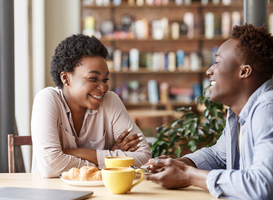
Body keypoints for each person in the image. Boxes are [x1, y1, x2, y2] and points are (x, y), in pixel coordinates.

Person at [142, 23, 273, 200]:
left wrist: (188, 175)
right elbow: (218, 155)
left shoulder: (267, 108)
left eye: (217, 62)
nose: (209, 71)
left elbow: (262, 185)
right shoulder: (239, 113)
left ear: (244, 71)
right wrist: (181, 164)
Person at [31, 34, 151, 177]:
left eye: (105, 79)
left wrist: (71, 153)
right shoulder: (47, 99)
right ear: (66, 78)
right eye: (93, 79)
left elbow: (144, 158)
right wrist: (111, 158)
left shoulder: (110, 100)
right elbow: (51, 166)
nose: (103, 88)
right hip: (52, 193)